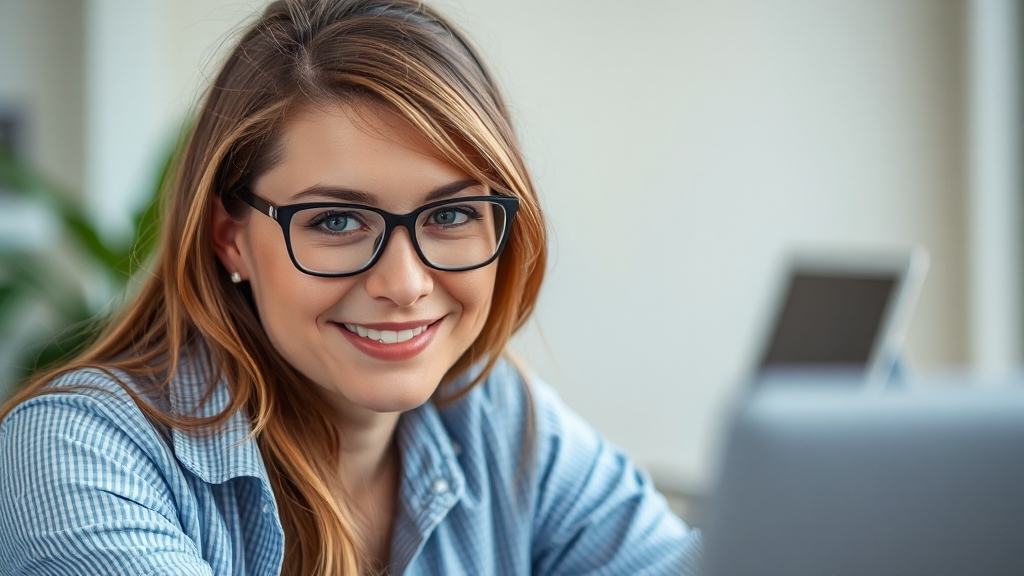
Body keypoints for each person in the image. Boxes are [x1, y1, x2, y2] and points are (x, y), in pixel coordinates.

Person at [0, 0, 701, 574]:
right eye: (336, 221)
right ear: (230, 236)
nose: (404, 284)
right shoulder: (76, 451)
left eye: (451, 214)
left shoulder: (496, 418)